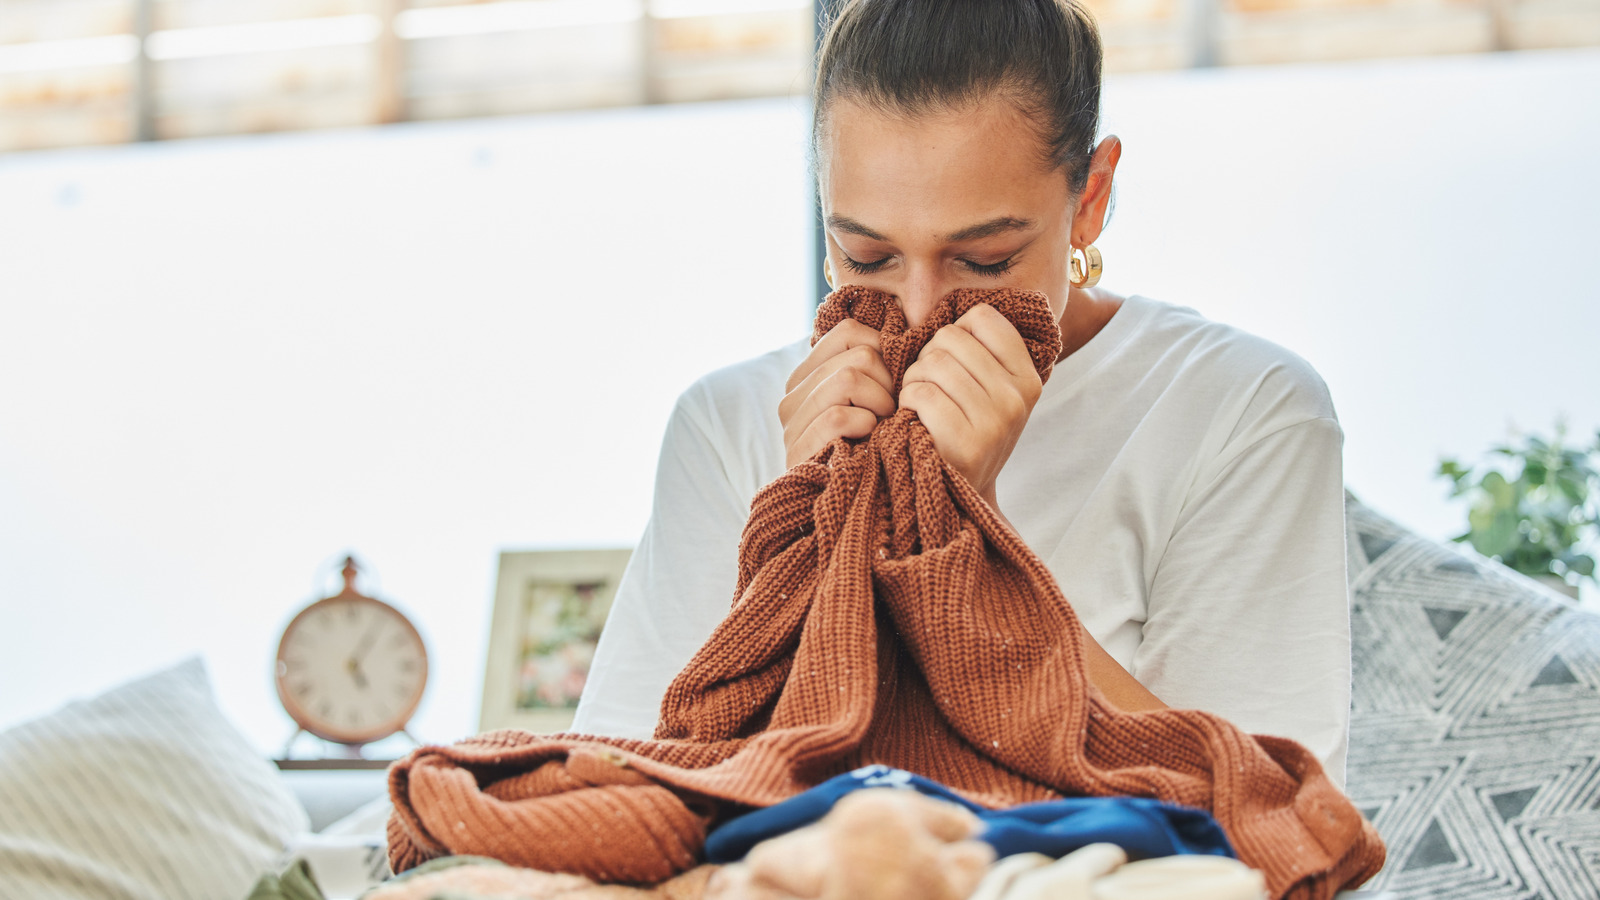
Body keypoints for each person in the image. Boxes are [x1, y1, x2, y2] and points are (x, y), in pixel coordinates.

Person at [574, 0, 1352, 789]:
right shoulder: (728, 422)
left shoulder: (1241, 409)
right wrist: (806, 531)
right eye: (866, 255)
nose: (917, 313)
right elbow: (620, 788)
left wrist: (970, 527)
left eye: (984, 260)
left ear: (1089, 199)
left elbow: (1271, 816)